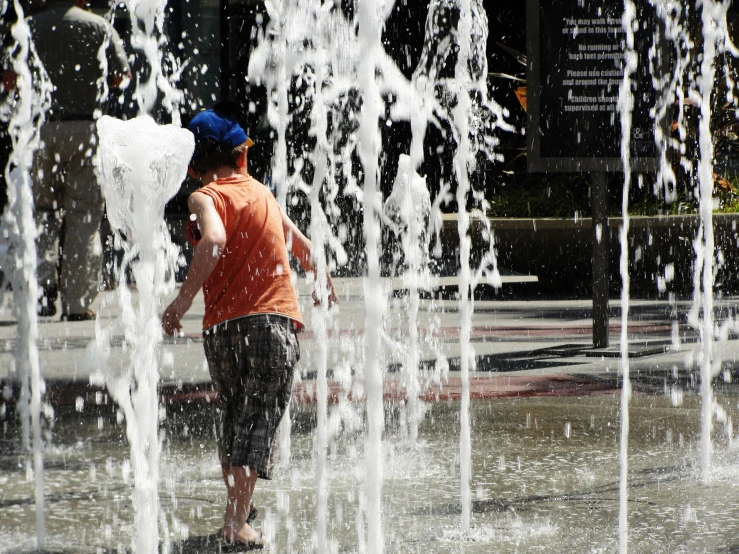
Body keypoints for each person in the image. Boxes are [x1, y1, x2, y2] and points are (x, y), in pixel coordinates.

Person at [161, 105, 337, 548]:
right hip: (271, 325)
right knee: (257, 421)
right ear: (240, 155)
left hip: (222, 331)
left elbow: (213, 239)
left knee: (235, 416)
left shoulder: (203, 196)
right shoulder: (261, 193)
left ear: (192, 164)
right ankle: (237, 521)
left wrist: (184, 304)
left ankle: (239, 506)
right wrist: (322, 281)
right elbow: (302, 247)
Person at [28, 0, 131, 319]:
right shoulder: (99, 26)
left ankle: (42, 286)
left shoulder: (31, 26)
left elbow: (9, 77)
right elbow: (121, 77)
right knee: (84, 216)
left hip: (41, 130)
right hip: (87, 128)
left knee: (43, 211)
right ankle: (76, 302)